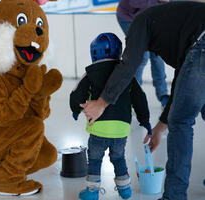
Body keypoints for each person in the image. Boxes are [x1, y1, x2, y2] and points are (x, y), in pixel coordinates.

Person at [80, 2, 205, 200]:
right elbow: (182, 82)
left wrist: (101, 103)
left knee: (181, 122)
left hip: (202, 43)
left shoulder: (140, 23)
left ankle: (174, 196)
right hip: (199, 42)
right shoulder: (170, 23)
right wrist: (160, 127)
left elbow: (128, 65)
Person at [70, 32, 152, 200]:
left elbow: (77, 94)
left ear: (94, 53)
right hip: (121, 129)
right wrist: (145, 121)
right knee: (118, 157)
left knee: (94, 159)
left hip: (98, 127)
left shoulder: (91, 73)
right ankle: (125, 190)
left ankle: (92, 192)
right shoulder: (126, 75)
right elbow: (140, 98)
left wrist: (75, 110)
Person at [116, 0, 170, 107]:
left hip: (152, 18)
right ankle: (134, 96)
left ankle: (163, 94)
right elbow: (134, 3)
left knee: (157, 55)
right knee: (141, 55)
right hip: (129, 18)